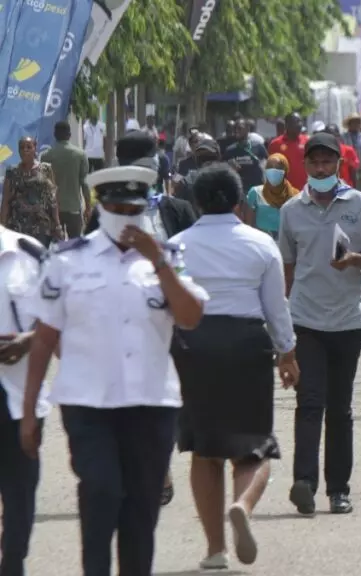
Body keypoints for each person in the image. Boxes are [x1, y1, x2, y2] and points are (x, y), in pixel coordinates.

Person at [20, 159, 208, 576]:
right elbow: (44, 338)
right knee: (101, 493)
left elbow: (191, 316)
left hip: (151, 403)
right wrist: (30, 408)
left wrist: (158, 262)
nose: (125, 219)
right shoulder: (67, 262)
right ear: (100, 206)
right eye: (117, 209)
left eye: (133, 210)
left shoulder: (169, 258)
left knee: (141, 512)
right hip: (88, 404)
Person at [169, 163, 299, 570]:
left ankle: (214, 550)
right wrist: (288, 354)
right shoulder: (261, 244)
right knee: (254, 446)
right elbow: (276, 308)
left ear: (196, 203)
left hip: (194, 344)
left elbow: (166, 306)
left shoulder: (176, 245)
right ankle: (242, 504)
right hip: (246, 343)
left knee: (204, 450)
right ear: (241, 203)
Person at [278, 133, 361, 516]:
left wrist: (355, 259)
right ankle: (304, 482)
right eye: (315, 163)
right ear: (304, 166)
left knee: (339, 408)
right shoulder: (291, 210)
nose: (321, 169)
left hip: (347, 322)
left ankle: (339, 489)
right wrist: (282, 329)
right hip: (305, 319)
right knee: (309, 402)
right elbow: (286, 269)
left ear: (339, 165)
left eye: (328, 163)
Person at [0, 226, 47, 576]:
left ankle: (13, 561)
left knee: (20, 491)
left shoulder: (27, 253)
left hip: (20, 395)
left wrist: (28, 341)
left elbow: (57, 317)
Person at [1, 137, 63, 247]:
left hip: (41, 227)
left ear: (35, 149)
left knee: (39, 259)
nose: (25, 150)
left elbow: (53, 199)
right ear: (19, 151)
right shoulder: (12, 172)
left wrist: (57, 225)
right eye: (22, 148)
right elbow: (5, 201)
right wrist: (2, 227)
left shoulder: (46, 169)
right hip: (17, 226)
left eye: (29, 147)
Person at [41, 121, 92, 238]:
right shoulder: (80, 154)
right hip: (73, 208)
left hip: (53, 210)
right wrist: (88, 207)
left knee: (55, 247)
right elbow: (84, 183)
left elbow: (43, 185)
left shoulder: (46, 156)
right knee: (74, 247)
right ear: (69, 135)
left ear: (54, 135)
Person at [243, 153, 299, 239]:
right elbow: (248, 225)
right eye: (270, 167)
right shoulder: (255, 192)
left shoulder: (295, 195)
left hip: (286, 244)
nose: (273, 171)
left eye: (278, 168)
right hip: (261, 242)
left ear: (286, 170)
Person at [223, 120, 269, 192]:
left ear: (247, 129)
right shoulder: (230, 150)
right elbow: (223, 170)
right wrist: (229, 167)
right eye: (235, 128)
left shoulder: (258, 146)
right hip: (239, 190)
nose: (236, 131)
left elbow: (268, 165)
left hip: (257, 190)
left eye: (239, 128)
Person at [268, 113, 310, 189]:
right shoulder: (276, 144)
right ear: (287, 125)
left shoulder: (308, 141)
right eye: (296, 121)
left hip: (305, 191)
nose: (299, 124)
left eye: (300, 121)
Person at [340, 115, 361, 190]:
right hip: (348, 172)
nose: (356, 124)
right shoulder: (343, 137)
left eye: (358, 122)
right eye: (354, 122)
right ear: (349, 124)